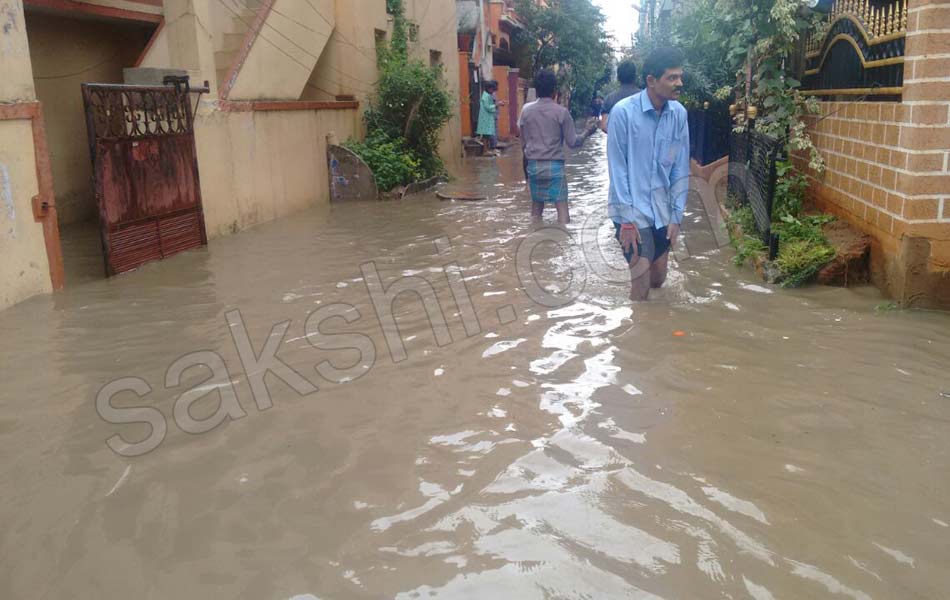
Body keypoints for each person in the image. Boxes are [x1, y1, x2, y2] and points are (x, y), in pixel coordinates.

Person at [607, 47, 689, 301]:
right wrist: (627, 220)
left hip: (663, 211)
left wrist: (676, 216)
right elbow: (617, 168)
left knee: (659, 278)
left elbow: (680, 168)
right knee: (641, 285)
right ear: (651, 81)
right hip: (632, 210)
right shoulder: (623, 113)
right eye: (672, 78)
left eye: (680, 77)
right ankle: (639, 334)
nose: (679, 84)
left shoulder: (679, 115)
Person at [519, 70, 598, 225]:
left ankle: (533, 236)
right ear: (555, 90)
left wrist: (526, 176)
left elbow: (523, 144)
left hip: (533, 166)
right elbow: (573, 142)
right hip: (555, 167)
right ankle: (563, 242)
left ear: (536, 90)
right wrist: (587, 131)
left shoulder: (526, 111)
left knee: (536, 209)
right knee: (562, 209)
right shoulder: (562, 113)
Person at [600, 59, 641, 133]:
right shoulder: (645, 98)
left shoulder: (609, 99)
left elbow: (604, 126)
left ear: (618, 77)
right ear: (635, 77)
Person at [477, 81, 505, 156]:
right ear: (489, 88)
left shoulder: (487, 95)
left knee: (488, 134)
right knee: (486, 135)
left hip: (488, 117)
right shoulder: (486, 96)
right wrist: (497, 104)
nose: (493, 92)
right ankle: (485, 151)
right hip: (485, 118)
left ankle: (487, 150)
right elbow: (488, 107)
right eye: (492, 90)